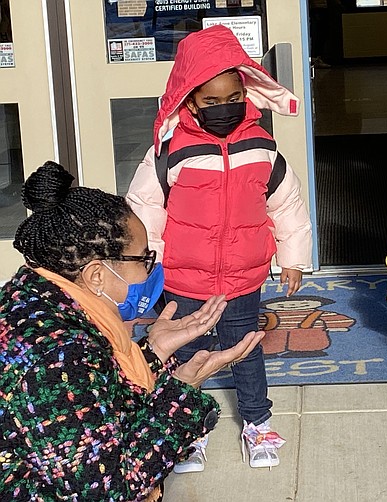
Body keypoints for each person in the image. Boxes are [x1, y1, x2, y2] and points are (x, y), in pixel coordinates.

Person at [0, 161, 264, 500]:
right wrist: (181, 393)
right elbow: (108, 489)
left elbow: (91, 400)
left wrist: (152, 354)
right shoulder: (54, 355)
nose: (151, 271)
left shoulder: (38, 302)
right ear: (97, 276)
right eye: (143, 259)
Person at [126, 25, 312, 471]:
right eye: (211, 102)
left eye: (232, 99)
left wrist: (293, 259)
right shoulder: (169, 152)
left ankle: (256, 420)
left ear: (244, 92)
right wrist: (145, 268)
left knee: (245, 347)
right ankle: (188, 428)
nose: (224, 108)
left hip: (243, 277)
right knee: (187, 353)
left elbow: (287, 203)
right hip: (185, 277)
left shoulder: (261, 146)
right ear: (190, 99)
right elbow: (145, 210)